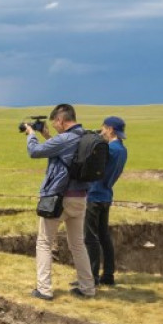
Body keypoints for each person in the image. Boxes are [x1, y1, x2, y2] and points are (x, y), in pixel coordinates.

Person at [26, 104, 95, 300]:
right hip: (81, 197)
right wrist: (48, 136)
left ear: (61, 120)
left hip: (59, 197)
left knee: (44, 243)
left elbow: (35, 151)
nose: (55, 126)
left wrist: (31, 133)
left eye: (55, 123)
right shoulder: (85, 137)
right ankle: (87, 288)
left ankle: (44, 289)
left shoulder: (65, 138)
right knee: (78, 245)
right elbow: (64, 154)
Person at [84, 116, 128, 286]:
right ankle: (108, 274)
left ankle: (91, 277)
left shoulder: (109, 150)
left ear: (110, 129)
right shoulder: (122, 150)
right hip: (106, 195)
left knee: (90, 237)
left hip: (94, 195)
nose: (101, 131)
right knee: (104, 236)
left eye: (103, 128)